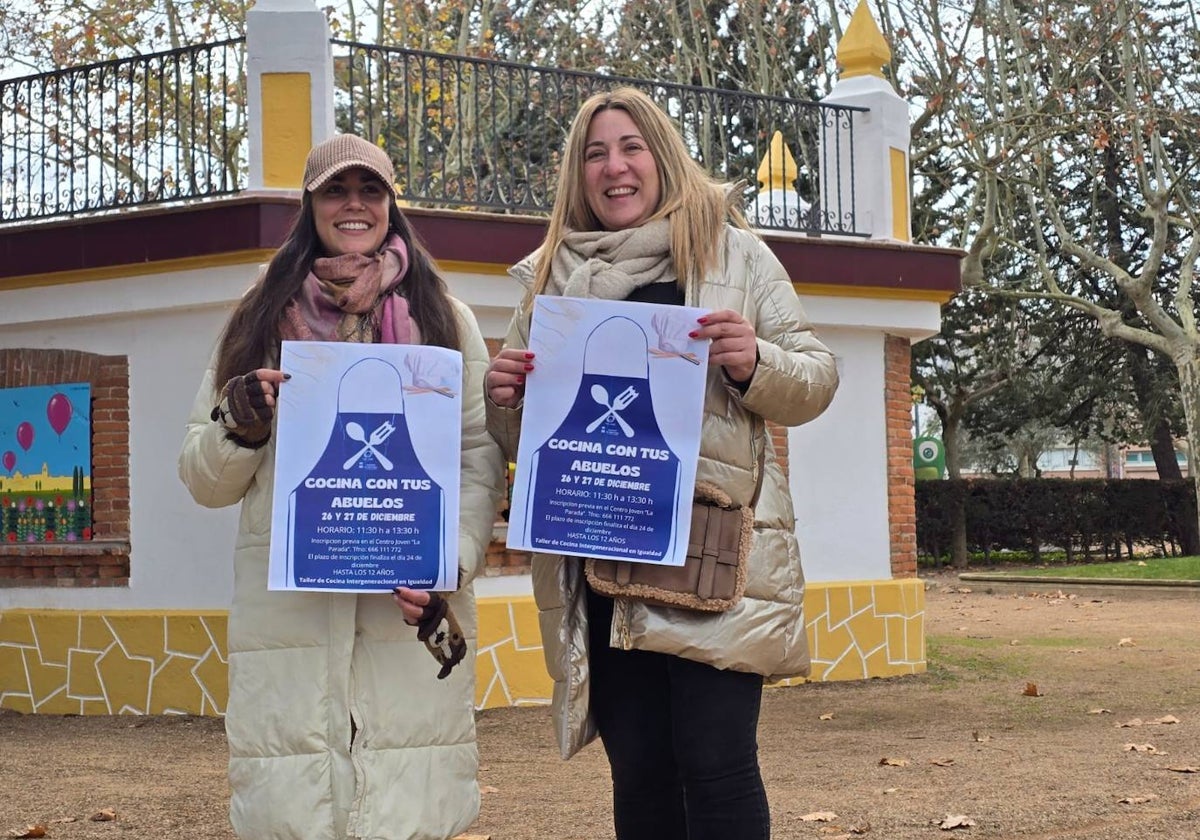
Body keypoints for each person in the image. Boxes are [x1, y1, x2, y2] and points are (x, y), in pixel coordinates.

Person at [485, 87, 839, 839]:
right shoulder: (552, 279)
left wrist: (754, 361)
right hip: (601, 561)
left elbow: (816, 378)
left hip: (713, 561)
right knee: (639, 769)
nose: (615, 167)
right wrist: (507, 398)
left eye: (631, 147)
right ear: (577, 175)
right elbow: (528, 447)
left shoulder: (732, 252)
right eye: (595, 153)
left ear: (662, 155)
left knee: (716, 762)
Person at [178, 134, 504, 840]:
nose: (353, 204)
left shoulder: (446, 319)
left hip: (405, 618)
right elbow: (202, 475)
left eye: (370, 189)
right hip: (290, 629)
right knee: (296, 811)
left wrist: (450, 562)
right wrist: (243, 425)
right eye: (335, 189)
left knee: (407, 812)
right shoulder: (257, 320)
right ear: (310, 204)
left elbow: (478, 455)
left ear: (391, 205)